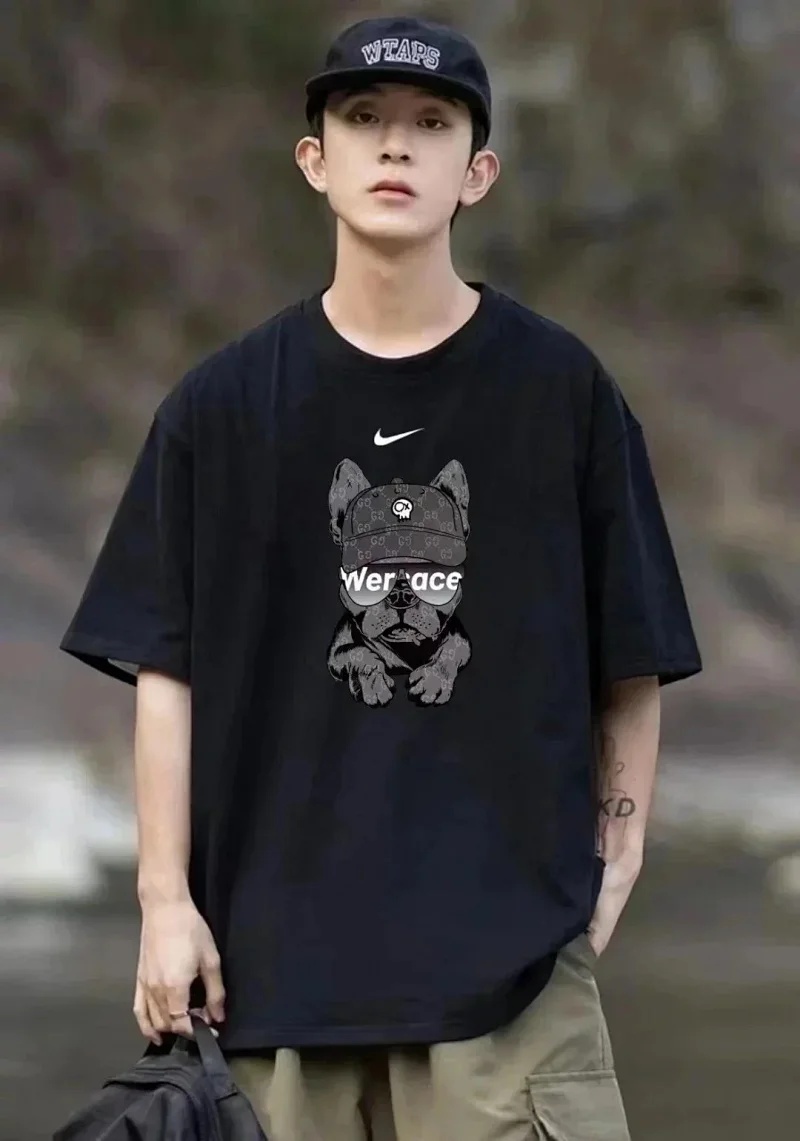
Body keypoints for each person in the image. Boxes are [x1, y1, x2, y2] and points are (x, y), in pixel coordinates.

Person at [60, 14, 703, 1141]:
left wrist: (621, 844)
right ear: (315, 160)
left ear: (477, 173)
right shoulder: (219, 409)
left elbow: (631, 648)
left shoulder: (560, 393)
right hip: (267, 983)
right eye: (363, 119)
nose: (395, 145)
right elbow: (166, 669)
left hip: (507, 988)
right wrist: (164, 902)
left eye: (430, 123)